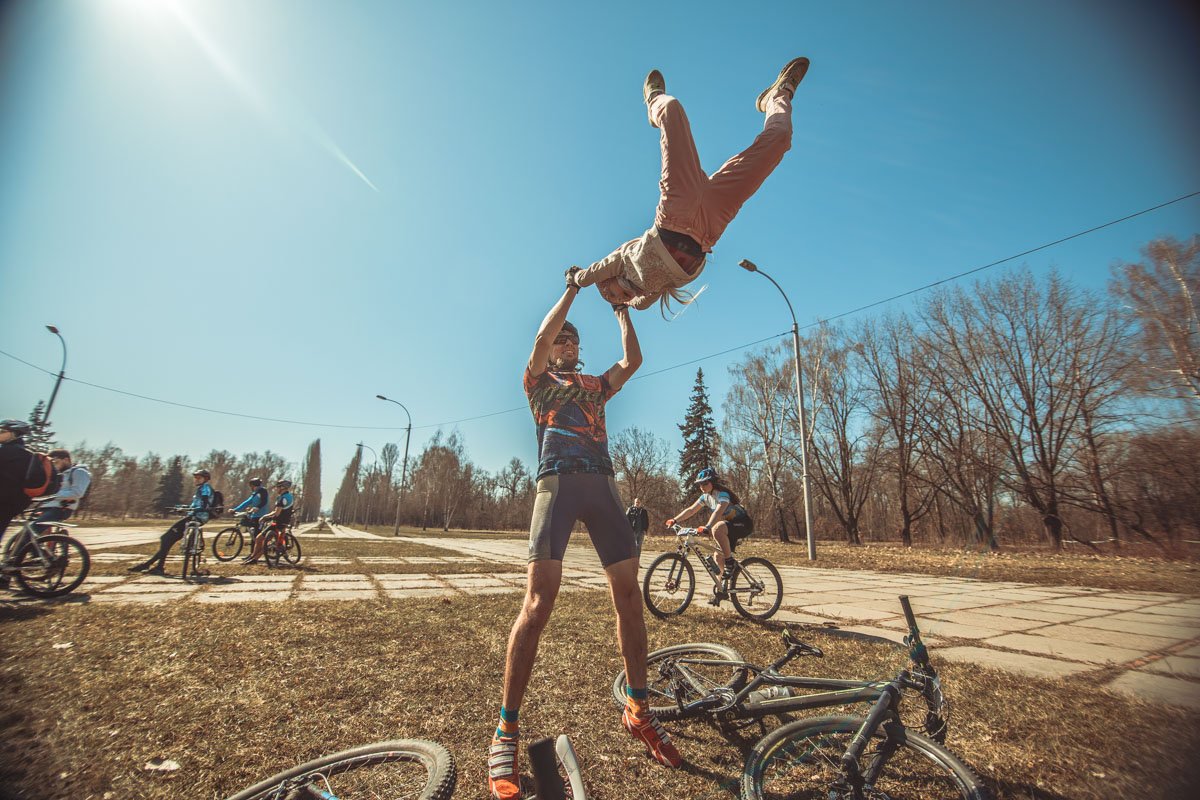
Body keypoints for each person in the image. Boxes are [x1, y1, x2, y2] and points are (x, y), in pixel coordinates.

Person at [487, 276, 680, 800]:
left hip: (602, 488)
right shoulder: (536, 382)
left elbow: (633, 361)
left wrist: (620, 310)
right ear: (548, 348)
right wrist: (572, 291)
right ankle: (506, 729)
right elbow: (538, 340)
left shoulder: (596, 385)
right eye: (559, 340)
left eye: (573, 340)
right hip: (556, 484)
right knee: (536, 603)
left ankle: (638, 708)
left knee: (629, 599)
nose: (567, 345)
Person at [567, 58, 810, 313]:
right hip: (713, 222)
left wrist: (576, 279)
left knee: (671, 108)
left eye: (615, 291)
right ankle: (779, 96)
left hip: (676, 210)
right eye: (622, 299)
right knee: (779, 142)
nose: (625, 294)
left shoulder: (621, 263)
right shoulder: (648, 296)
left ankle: (654, 102)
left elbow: (591, 274)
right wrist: (621, 310)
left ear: (610, 278)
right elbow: (636, 305)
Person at [666, 467, 754, 606]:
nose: (702, 487)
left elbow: (719, 511)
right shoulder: (705, 497)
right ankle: (721, 591)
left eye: (705, 483)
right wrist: (675, 520)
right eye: (700, 484)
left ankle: (730, 562)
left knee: (716, 528)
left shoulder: (722, 494)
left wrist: (707, 527)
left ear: (713, 482)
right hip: (728, 527)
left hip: (743, 524)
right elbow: (691, 510)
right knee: (718, 556)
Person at [129, 468, 215, 575]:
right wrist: (183, 507)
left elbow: (205, 503)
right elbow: (199, 504)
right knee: (168, 540)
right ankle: (150, 564)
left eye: (199, 477)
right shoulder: (202, 488)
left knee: (166, 538)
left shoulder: (205, 488)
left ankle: (156, 566)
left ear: (205, 479)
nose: (196, 479)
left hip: (195, 517)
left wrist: (201, 508)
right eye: (195, 477)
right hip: (196, 517)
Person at [31, 449, 91, 530]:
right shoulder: (58, 474)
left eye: (56, 462)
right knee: (26, 531)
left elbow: (77, 493)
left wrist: (53, 495)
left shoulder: (79, 472)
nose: (54, 466)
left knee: (33, 529)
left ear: (66, 460)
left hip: (60, 509)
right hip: (45, 506)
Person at [0, 419, 36, 552]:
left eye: (3, 431)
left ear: (14, 434)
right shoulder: (24, 452)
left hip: (6, 500)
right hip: (14, 500)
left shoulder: (9, 452)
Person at [241, 479, 294, 565]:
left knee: (259, 539)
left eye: (277, 487)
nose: (276, 489)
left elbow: (276, 513)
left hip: (278, 523)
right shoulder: (290, 496)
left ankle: (253, 558)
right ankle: (254, 558)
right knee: (266, 541)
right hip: (285, 522)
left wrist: (265, 517)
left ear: (282, 487)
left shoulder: (282, 499)